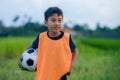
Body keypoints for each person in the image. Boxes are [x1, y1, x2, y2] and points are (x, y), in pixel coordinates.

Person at [19, 7, 78, 80]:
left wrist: (70, 66)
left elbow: (75, 51)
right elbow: (31, 47)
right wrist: (21, 59)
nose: (57, 23)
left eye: (59, 20)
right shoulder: (41, 37)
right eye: (53, 20)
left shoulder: (67, 38)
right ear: (46, 22)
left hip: (61, 75)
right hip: (44, 75)